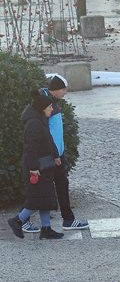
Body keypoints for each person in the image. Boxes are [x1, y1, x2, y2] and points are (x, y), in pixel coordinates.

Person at [6, 90, 64, 240]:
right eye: (49, 107)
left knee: (44, 197)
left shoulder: (40, 120)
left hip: (44, 165)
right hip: (37, 167)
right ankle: (17, 220)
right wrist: (33, 169)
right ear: (42, 108)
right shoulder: (33, 124)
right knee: (37, 199)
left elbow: (48, 139)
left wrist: (56, 155)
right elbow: (30, 148)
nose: (52, 109)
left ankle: (46, 229)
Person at [44, 75, 88, 231]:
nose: (65, 92)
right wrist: (55, 154)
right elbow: (46, 132)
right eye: (63, 89)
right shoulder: (47, 105)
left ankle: (68, 219)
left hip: (57, 152)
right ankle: (21, 219)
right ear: (54, 90)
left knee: (59, 184)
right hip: (52, 154)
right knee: (48, 186)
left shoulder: (52, 103)